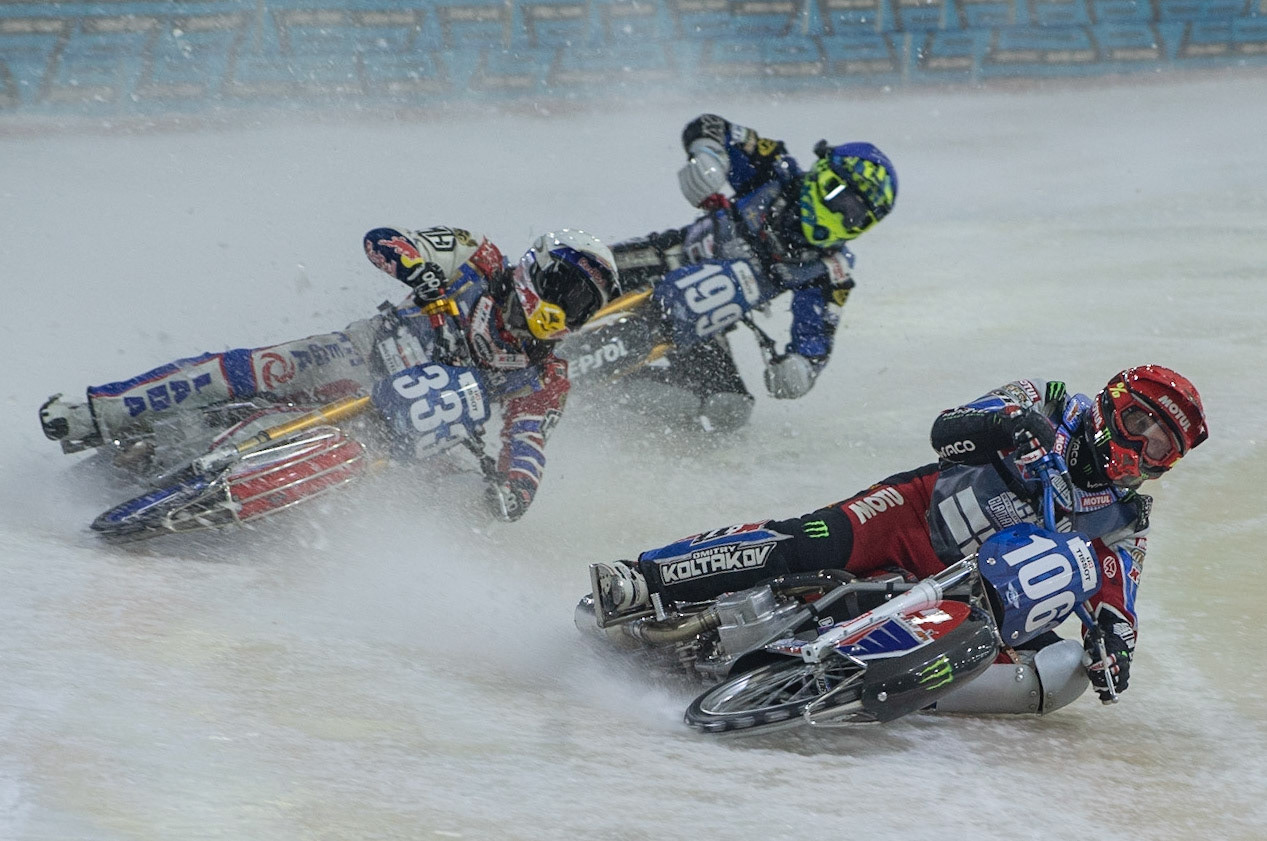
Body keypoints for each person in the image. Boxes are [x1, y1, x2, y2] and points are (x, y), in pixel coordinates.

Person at [590, 366, 1207, 708]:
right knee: (808, 541)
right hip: (913, 515)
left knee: (1061, 672)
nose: (1141, 451)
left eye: (1160, 447)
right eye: (1138, 425)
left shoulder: (1129, 522)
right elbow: (946, 433)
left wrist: (1113, 649)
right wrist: (1006, 428)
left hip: (969, 600)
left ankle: (850, 686)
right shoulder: (1041, 401)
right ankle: (646, 577)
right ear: (1111, 405)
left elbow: (1119, 605)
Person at [39, 226, 620, 521]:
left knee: (426, 495)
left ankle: (252, 507)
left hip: (413, 426)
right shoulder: (478, 256)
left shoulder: (549, 375)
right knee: (264, 367)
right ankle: (98, 410)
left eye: (583, 306)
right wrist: (416, 271)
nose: (568, 312)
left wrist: (512, 492)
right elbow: (384, 240)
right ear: (538, 271)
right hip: (361, 354)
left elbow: (528, 445)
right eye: (567, 291)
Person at [606, 113, 897, 431]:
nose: (842, 218)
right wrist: (707, 155)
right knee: (581, 271)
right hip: (666, 255)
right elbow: (712, 125)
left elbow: (816, 340)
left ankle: (595, 398)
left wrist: (799, 369)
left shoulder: (829, 269)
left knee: (727, 408)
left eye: (857, 218)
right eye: (839, 199)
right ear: (823, 175)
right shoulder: (775, 170)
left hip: (703, 319)